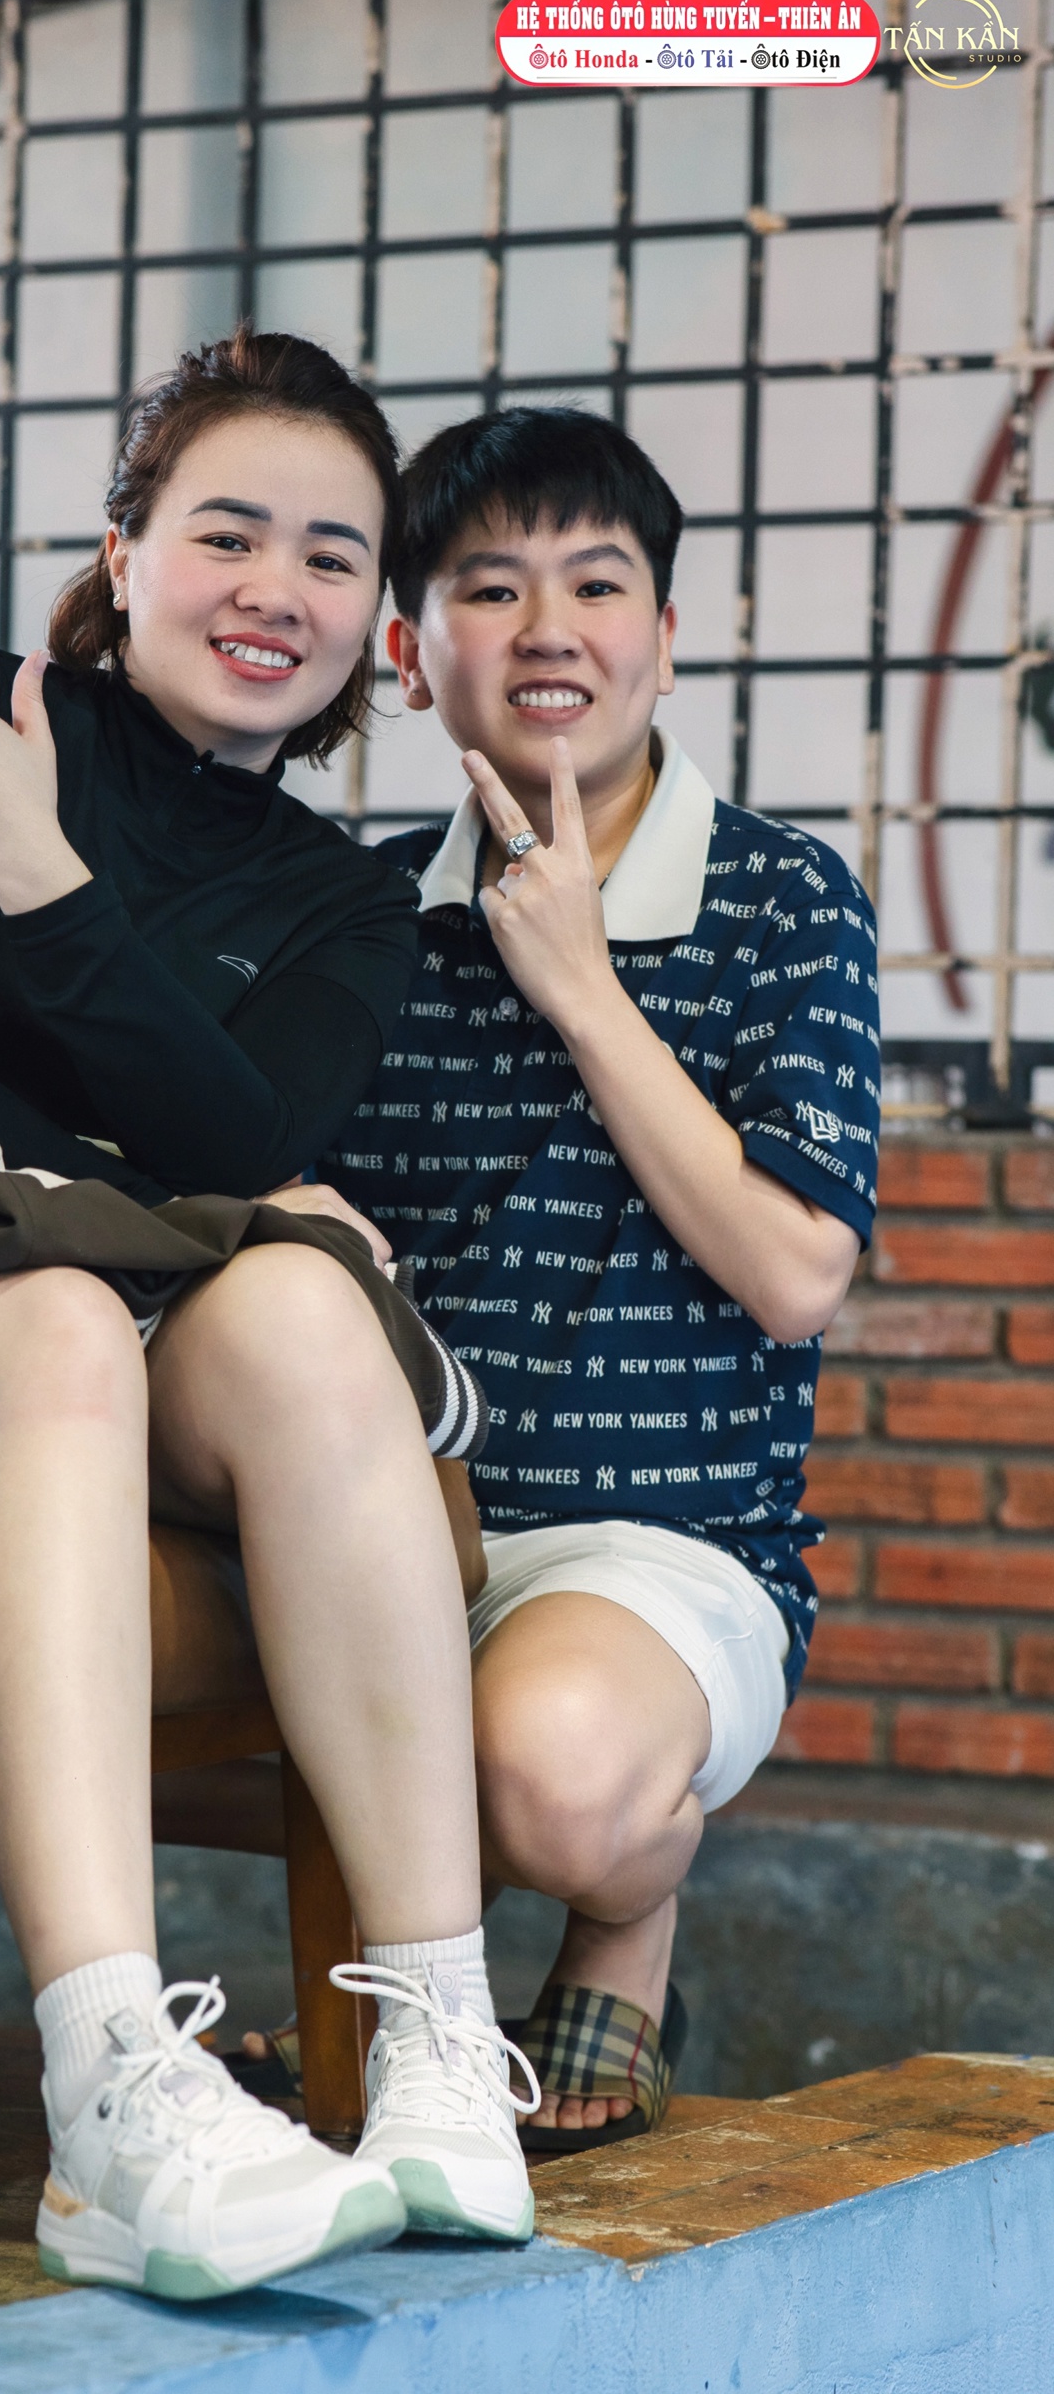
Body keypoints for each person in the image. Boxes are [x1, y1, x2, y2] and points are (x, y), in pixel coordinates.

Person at [0, 331, 538, 2299]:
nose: (275, 587)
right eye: (226, 533)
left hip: (150, 1303)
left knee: (305, 1317)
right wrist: (160, 1182)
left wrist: (37, 881)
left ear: (374, 620)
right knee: (62, 1325)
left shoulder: (346, 900)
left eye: (332, 556)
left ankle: (439, 2041)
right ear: (124, 553)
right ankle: (109, 2089)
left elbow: (257, 1135)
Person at [320, 406, 878, 2153]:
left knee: (553, 1785)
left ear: (666, 635)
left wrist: (579, 982)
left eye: (597, 583)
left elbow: (795, 1275)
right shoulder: (355, 916)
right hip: (388, 1525)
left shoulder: (785, 899)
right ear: (411, 654)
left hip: (662, 1552)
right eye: (491, 588)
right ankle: (394, 2029)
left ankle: (629, 1924)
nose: (548, 627)